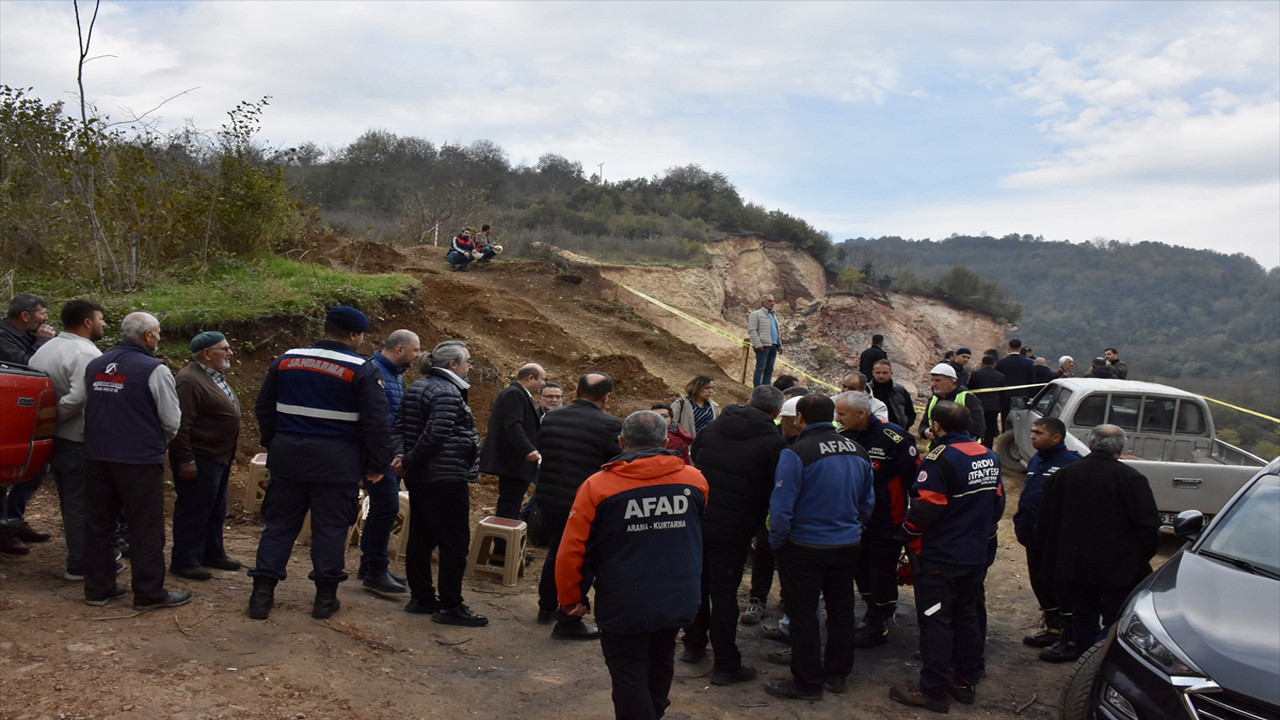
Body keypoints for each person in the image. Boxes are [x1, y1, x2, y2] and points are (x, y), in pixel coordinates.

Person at [557, 410, 708, 720]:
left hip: (625, 599)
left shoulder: (597, 486)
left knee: (628, 672)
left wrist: (571, 598)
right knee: (662, 657)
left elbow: (573, 549)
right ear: (666, 441)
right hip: (678, 594)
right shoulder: (694, 480)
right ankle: (654, 712)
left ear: (621, 442)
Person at [247, 306, 392, 621]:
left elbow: (263, 406)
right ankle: (325, 600)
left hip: (288, 457)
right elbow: (376, 423)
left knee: (279, 526)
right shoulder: (361, 368)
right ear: (353, 335)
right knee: (330, 529)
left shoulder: (286, 359)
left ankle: (261, 595)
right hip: (336, 463)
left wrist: (275, 441)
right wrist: (377, 464)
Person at [890, 401, 1004, 713]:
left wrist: (907, 533)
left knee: (936, 621)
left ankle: (933, 691)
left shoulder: (939, 460)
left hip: (940, 556)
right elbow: (997, 504)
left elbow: (926, 507)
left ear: (937, 426)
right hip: (974, 554)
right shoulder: (988, 455)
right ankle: (964, 681)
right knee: (966, 616)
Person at [764, 394, 874, 702]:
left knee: (803, 615)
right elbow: (867, 502)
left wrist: (777, 541)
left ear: (800, 418)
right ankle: (837, 675)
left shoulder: (796, 452)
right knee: (841, 610)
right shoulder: (858, 450)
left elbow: (782, 508)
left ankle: (807, 682)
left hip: (804, 546)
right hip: (847, 543)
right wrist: (854, 529)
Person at [82, 311, 190, 610]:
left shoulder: (96, 364)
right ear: (147, 336)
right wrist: (154, 442)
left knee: (99, 523)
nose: (158, 338)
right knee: (145, 526)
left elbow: (88, 406)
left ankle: (98, 589)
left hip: (96, 454)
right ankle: (148, 593)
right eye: (157, 333)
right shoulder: (154, 369)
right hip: (138, 459)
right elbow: (171, 420)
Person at [680, 385, 786, 685]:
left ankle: (693, 644)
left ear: (746, 402)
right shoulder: (772, 442)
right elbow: (772, 491)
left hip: (698, 521)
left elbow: (695, 463)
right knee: (724, 594)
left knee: (698, 586)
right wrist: (761, 530)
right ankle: (726, 663)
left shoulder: (712, 429)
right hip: (735, 530)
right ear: (776, 413)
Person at [1038, 424, 1158, 661]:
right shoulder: (1132, 479)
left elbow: (1045, 523)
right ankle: (1101, 662)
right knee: (1116, 620)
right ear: (1121, 448)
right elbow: (1148, 527)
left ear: (1090, 444)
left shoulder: (1064, 475)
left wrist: (1054, 558)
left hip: (1075, 568)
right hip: (1119, 570)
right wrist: (1139, 560)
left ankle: (1085, 660)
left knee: (1083, 616)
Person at [395, 340, 486, 626]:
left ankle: (421, 597)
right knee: (454, 543)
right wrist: (409, 458)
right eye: (468, 361)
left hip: (423, 476)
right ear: (452, 365)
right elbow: (436, 435)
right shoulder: (447, 391)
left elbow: (399, 427)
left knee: (421, 538)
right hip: (444, 477)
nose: (471, 366)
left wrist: (402, 457)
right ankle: (450, 605)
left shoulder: (419, 386)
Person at [534, 372, 622, 639]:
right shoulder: (610, 425)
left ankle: (546, 607)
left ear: (575, 390)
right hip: (583, 504)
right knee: (581, 560)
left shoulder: (551, 417)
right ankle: (569, 620)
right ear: (606, 397)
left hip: (549, 498)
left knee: (557, 553)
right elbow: (617, 464)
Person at [26, 300, 106, 575]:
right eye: (100, 319)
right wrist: (56, 417)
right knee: (80, 504)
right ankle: (81, 564)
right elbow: (81, 396)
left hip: (53, 438)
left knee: (70, 500)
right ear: (87, 322)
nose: (103, 324)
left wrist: (46, 422)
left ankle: (84, 557)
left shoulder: (45, 349)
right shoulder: (84, 352)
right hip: (75, 437)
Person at [834, 391, 919, 648]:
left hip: (886, 521)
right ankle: (872, 610)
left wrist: (910, 525)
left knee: (881, 572)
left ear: (861, 413)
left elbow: (915, 483)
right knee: (859, 569)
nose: (837, 419)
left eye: (841, 414)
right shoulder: (842, 436)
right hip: (853, 520)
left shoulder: (894, 438)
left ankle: (879, 620)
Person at [167, 332, 243, 581]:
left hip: (217, 456)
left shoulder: (212, 376)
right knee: (194, 509)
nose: (230, 352)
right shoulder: (189, 381)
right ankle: (185, 560)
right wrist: (186, 460)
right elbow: (181, 425)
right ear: (207, 354)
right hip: (199, 457)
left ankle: (212, 552)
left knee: (215, 508)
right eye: (225, 348)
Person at [358, 329, 421, 596]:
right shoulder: (376, 374)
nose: (418, 356)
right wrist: (381, 457)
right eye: (415, 350)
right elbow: (377, 420)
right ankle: (375, 571)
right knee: (386, 507)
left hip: (386, 453)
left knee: (382, 510)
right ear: (399, 349)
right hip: (378, 456)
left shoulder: (393, 376)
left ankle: (370, 566)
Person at [1013, 418, 1082, 654]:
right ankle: (1052, 629)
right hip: (1032, 537)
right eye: (1032, 431)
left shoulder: (1071, 464)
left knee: (1061, 588)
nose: (1032, 436)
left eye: (1039, 433)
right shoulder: (1036, 459)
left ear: (1056, 438)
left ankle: (1070, 637)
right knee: (1040, 584)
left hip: (1056, 542)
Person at [0, 292, 58, 554]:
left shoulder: (27, 336)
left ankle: (15, 518)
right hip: (8, 412)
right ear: (25, 316)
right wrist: (43, 343)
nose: (46, 318)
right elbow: (27, 366)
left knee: (36, 469)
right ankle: (4, 530)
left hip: (30, 412)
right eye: (41, 313)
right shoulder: (3, 336)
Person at [478, 363, 545, 557]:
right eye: (541, 379)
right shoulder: (514, 394)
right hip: (514, 464)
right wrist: (529, 450)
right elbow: (513, 425)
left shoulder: (517, 394)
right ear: (530, 378)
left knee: (511, 504)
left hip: (515, 464)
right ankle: (503, 552)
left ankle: (508, 549)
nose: (543, 384)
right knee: (509, 506)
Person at [918, 363, 985, 445]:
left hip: (963, 449)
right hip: (938, 449)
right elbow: (924, 423)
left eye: (938, 380)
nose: (933, 384)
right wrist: (925, 432)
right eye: (932, 380)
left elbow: (978, 428)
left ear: (951, 381)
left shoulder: (967, 397)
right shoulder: (934, 399)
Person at [965, 354, 1005, 449]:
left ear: (982, 363)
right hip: (993, 407)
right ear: (994, 364)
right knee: (990, 430)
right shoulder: (1000, 376)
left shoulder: (976, 374)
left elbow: (970, 389)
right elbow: (1003, 392)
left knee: (976, 427)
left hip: (977, 406)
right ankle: (988, 448)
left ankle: (976, 446)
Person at [994, 339, 1036, 426]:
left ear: (1009, 347)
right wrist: (1031, 397)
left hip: (1005, 396)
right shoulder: (1029, 363)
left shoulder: (1001, 363)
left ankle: (1006, 437)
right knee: (1021, 421)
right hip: (1023, 396)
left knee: (1006, 419)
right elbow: (1032, 381)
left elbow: (997, 380)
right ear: (1020, 348)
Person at [870, 359, 916, 431]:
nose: (881, 376)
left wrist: (903, 428)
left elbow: (910, 413)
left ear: (891, 373)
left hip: (896, 432)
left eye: (885, 373)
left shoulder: (900, 390)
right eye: (878, 373)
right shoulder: (866, 391)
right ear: (873, 373)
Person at [747, 294, 780, 387]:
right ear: (762, 302)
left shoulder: (773, 316)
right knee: (760, 368)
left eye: (773, 301)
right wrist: (758, 344)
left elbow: (776, 331)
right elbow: (752, 330)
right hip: (763, 345)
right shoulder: (755, 314)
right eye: (769, 301)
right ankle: (757, 388)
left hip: (773, 345)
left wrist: (779, 345)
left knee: (770, 368)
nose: (772, 303)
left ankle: (766, 387)